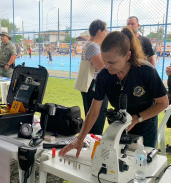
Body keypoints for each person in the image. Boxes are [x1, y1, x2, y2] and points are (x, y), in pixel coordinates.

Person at [59, 27, 169, 158]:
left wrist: (136, 118)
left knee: (143, 166)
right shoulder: (104, 76)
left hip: (145, 127)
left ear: (127, 56)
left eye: (111, 62)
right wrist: (79, 138)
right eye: (104, 61)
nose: (106, 66)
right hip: (120, 128)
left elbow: (163, 103)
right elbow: (94, 111)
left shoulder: (145, 71)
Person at [74, 19, 108, 135]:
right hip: (94, 85)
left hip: (90, 85)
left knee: (92, 116)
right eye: (105, 30)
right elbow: (102, 67)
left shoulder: (89, 45)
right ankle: (94, 143)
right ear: (99, 31)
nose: (106, 33)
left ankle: (91, 140)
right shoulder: (93, 46)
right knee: (97, 119)